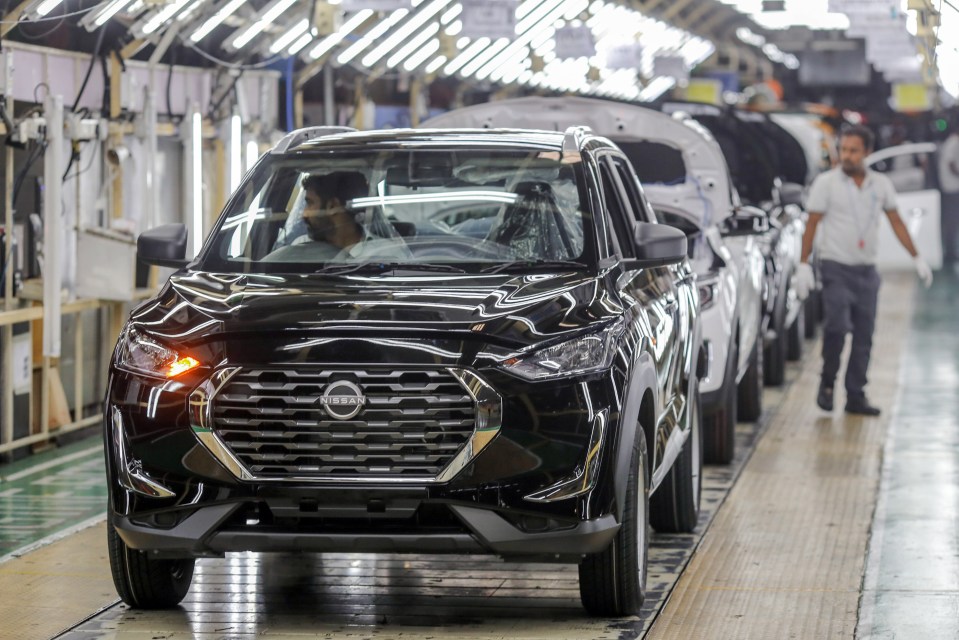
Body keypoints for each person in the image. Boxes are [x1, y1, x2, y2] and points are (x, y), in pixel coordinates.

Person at [793, 124, 933, 416]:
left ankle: (856, 395)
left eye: (853, 151)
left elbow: (896, 221)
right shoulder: (826, 183)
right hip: (835, 268)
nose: (847, 156)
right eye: (843, 149)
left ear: (867, 152)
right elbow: (812, 224)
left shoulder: (880, 185)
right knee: (836, 327)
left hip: (867, 272)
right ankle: (828, 383)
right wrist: (803, 263)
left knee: (864, 336)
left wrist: (917, 256)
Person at [265, 171, 408, 262]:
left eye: (310, 204)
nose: (304, 214)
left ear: (333, 206)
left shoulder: (389, 255)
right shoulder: (299, 250)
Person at [936, 119, 959, 266]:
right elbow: (951, 163)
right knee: (952, 221)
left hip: (951, 187)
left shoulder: (951, 142)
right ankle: (950, 252)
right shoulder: (954, 142)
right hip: (953, 187)